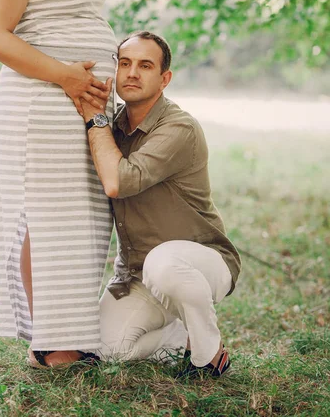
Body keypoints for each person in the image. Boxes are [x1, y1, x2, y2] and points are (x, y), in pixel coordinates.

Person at [0, 0, 117, 369]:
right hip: (40, 107)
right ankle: (50, 345)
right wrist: (66, 75)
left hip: (74, 104)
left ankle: (68, 337)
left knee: (81, 222)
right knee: (50, 221)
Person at [80, 31, 241, 377]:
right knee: (108, 350)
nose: (132, 73)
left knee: (164, 263)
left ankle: (208, 355)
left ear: (164, 78)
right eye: (124, 63)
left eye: (145, 65)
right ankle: (180, 335)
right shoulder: (116, 127)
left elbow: (118, 182)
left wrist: (95, 120)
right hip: (137, 274)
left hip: (202, 262)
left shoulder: (178, 127)